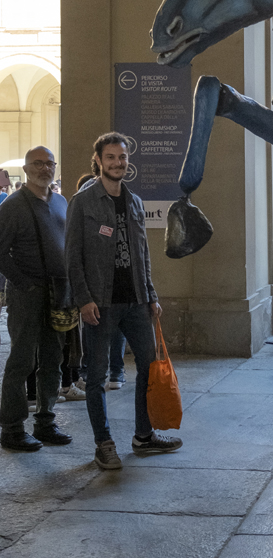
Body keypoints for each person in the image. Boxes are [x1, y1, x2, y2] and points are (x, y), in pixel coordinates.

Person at [66, 132, 182, 469]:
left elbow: (142, 253)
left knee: (148, 366)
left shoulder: (134, 201)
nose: (118, 162)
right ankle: (103, 443)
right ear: (99, 161)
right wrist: (83, 300)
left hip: (135, 302)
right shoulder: (83, 202)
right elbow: (72, 257)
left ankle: (143, 437)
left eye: (123, 157)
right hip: (100, 305)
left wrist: (151, 294)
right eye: (111, 157)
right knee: (97, 376)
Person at [0, 146, 73, 451]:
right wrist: (23, 284)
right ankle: (12, 428)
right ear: (27, 169)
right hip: (27, 296)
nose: (45, 169)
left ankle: (45, 421)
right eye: (38, 164)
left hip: (58, 294)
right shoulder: (13, 205)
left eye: (50, 163)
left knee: (53, 360)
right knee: (21, 361)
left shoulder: (60, 201)